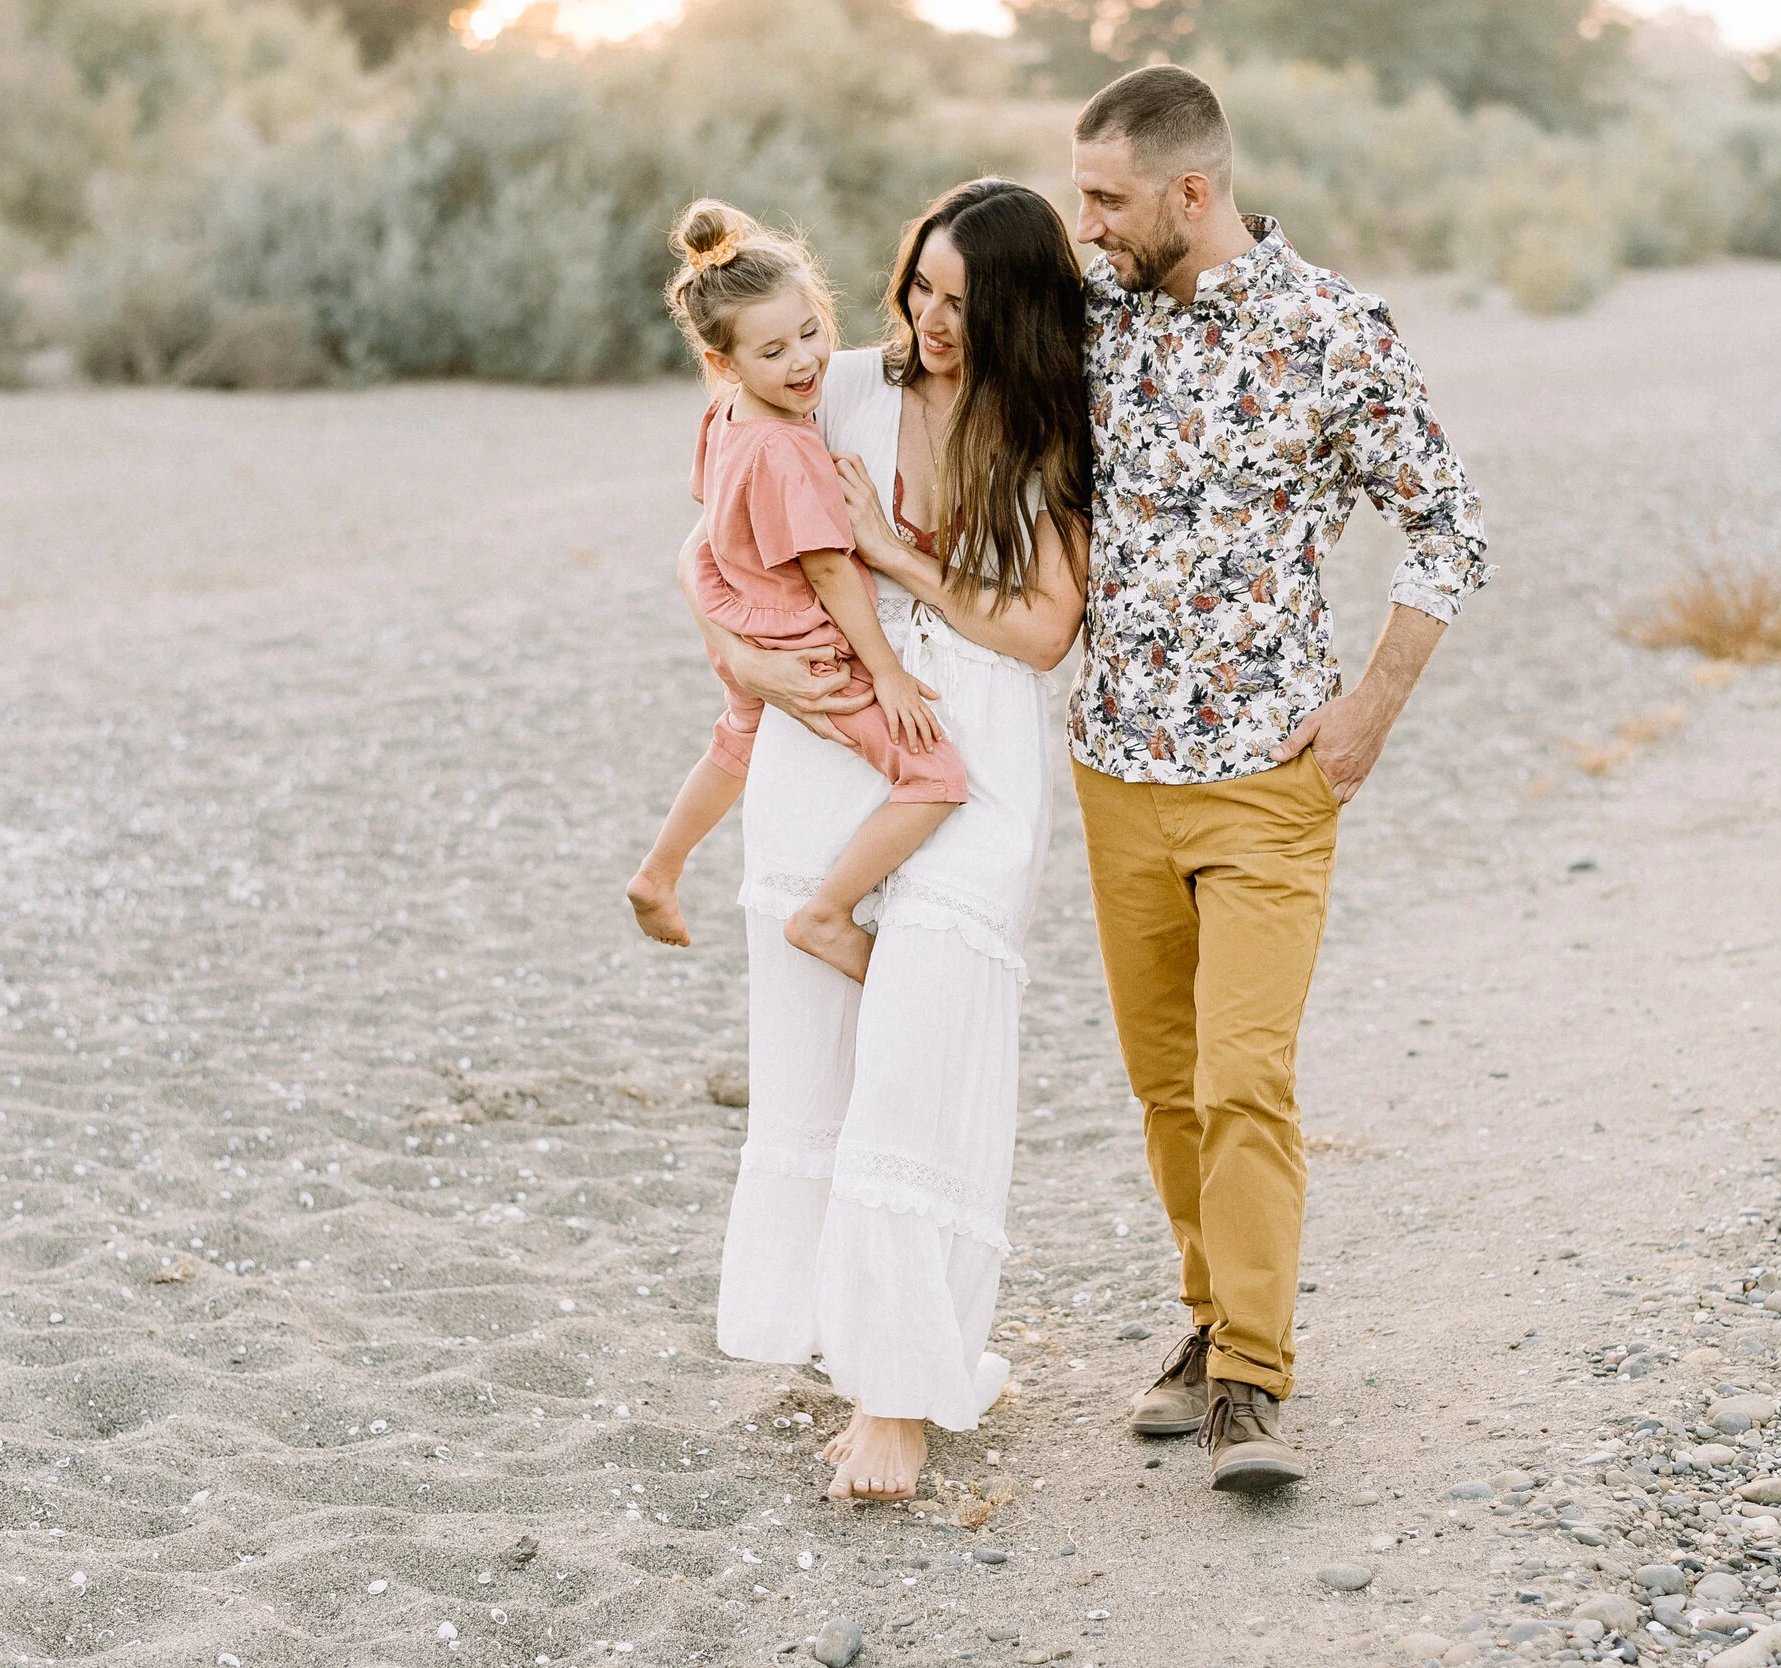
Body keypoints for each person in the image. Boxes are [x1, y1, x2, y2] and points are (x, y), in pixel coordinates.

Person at [1067, 66, 1492, 1492]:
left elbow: (1450, 530)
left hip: (1266, 780)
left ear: (1191, 191)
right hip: (1114, 766)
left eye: (1107, 198)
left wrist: (1369, 710)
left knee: (1243, 1074)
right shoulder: (1093, 317)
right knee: (1165, 1086)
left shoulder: (1328, 329)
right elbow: (935, 356)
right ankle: (1205, 1323)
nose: (1087, 223)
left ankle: (1252, 1375)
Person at [690, 179, 1093, 1501]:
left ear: (1016, 310)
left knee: (923, 1044)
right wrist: (742, 656)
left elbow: (1043, 631)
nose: (928, 321)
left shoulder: (1045, 425)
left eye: (961, 303)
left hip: (972, 751)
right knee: (819, 1059)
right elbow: (713, 541)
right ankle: (855, 1340)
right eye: (918, 287)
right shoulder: (839, 385)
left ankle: (901, 1399)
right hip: (830, 737)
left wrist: (893, 552)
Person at [627, 201, 966, 984]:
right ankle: (826, 914)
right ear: (725, 363)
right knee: (937, 779)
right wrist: (885, 672)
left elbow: (711, 508)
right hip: (802, 644)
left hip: (739, 608)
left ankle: (659, 870)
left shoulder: (727, 416)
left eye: (812, 332)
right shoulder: (790, 448)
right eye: (774, 351)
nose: (806, 361)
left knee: (736, 737)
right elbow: (828, 570)